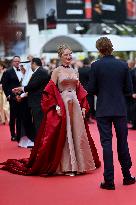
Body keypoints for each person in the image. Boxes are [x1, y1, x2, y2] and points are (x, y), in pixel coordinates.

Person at [0, 44, 100, 176]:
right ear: (60, 56)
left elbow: (79, 90)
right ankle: (67, 165)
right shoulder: (56, 71)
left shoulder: (75, 71)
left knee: (77, 133)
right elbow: (50, 90)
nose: (69, 56)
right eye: (66, 54)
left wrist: (83, 105)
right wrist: (56, 105)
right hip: (62, 103)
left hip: (74, 104)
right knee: (65, 134)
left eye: (70, 54)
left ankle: (79, 163)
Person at [88, 37, 135, 190]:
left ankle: (109, 181)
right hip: (120, 109)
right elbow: (129, 90)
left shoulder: (95, 66)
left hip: (103, 109)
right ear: (111, 47)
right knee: (122, 142)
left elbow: (91, 89)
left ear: (99, 49)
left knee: (106, 144)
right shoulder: (122, 65)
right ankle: (127, 176)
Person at [12, 58, 49, 140]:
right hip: (36, 101)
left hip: (38, 102)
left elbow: (33, 86)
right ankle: (39, 143)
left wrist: (21, 89)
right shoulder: (40, 71)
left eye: (31, 64)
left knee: (39, 123)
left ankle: (40, 143)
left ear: (34, 64)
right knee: (37, 122)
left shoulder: (40, 72)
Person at [1, 56, 23, 141]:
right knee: (13, 116)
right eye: (15, 61)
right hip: (13, 97)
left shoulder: (23, 70)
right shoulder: (8, 72)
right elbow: (4, 84)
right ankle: (13, 134)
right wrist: (8, 95)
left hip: (22, 97)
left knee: (20, 116)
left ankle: (19, 134)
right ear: (12, 62)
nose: (17, 63)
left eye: (18, 61)